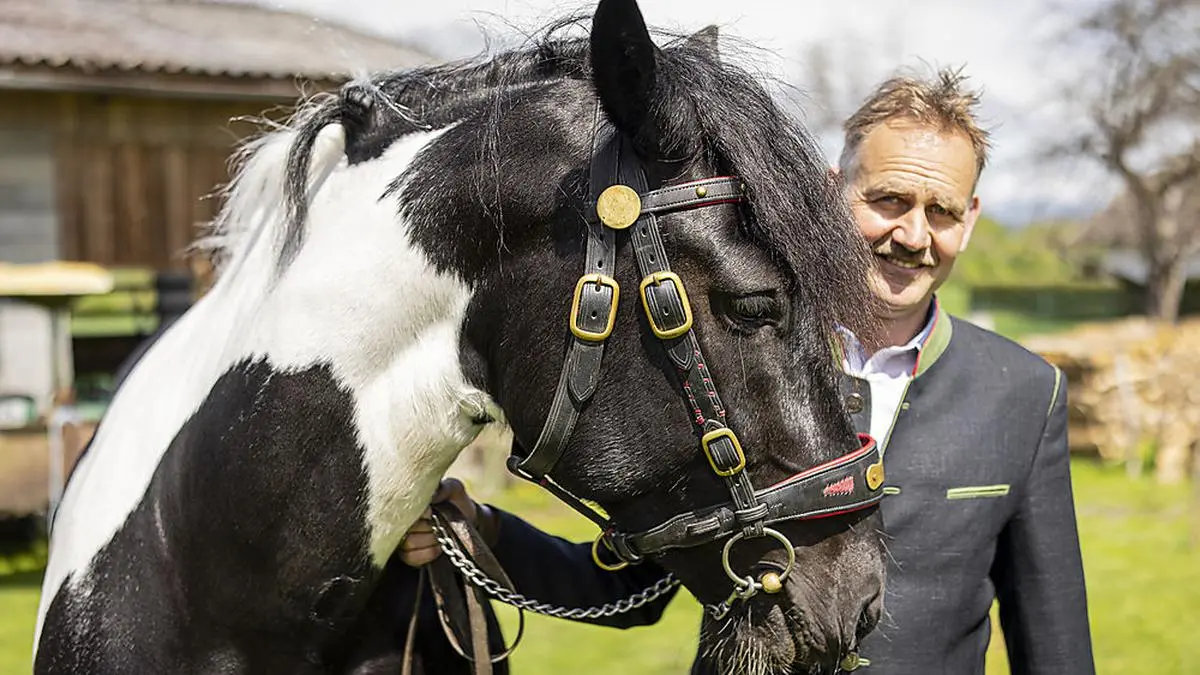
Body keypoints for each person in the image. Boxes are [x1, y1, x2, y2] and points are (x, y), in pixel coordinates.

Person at [398, 67, 1096, 674]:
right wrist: (484, 532)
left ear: (969, 221)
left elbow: (1055, 648)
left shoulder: (1026, 395)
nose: (912, 234)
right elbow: (629, 588)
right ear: (832, 190)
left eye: (940, 211)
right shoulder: (729, 359)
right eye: (888, 199)